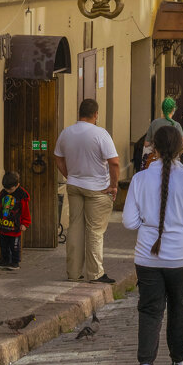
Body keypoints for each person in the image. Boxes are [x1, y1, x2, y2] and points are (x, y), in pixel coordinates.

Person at [123, 124, 183, 365]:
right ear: (182, 146)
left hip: (147, 258)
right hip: (180, 257)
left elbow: (128, 221)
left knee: (149, 311)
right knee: (178, 308)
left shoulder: (139, 180)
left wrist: (149, 224)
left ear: (154, 149)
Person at [53, 98, 121, 284]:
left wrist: (69, 174)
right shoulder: (101, 134)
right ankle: (95, 273)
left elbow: (58, 157)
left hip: (75, 185)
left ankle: (73, 272)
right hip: (97, 187)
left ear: (79, 113)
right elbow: (114, 162)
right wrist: (114, 185)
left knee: (74, 227)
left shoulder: (66, 133)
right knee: (95, 230)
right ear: (96, 114)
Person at [0, 171, 30, 271]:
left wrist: (25, 223)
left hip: (15, 227)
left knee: (15, 246)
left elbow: (26, 211)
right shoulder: (1, 194)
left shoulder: (22, 196)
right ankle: (5, 260)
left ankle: (15, 262)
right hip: (3, 226)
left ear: (17, 185)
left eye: (11, 189)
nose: (8, 191)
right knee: (3, 245)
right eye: (6, 189)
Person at [144, 98, 183, 171]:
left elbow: (146, 144)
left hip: (156, 160)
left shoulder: (154, 123)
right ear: (173, 109)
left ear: (162, 109)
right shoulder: (176, 125)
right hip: (174, 162)